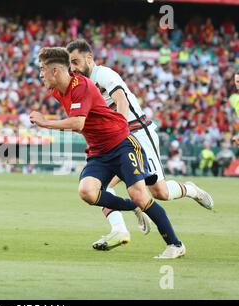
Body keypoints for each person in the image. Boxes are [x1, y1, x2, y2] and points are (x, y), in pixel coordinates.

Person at [30, 47, 185, 259]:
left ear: (55, 71)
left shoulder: (82, 85)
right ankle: (135, 208)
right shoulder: (57, 91)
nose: (40, 74)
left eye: (42, 69)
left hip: (122, 144)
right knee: (87, 192)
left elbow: (78, 123)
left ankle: (175, 245)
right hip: (99, 151)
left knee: (141, 193)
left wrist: (45, 122)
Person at [66, 39, 213, 250]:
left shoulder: (104, 74)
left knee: (159, 192)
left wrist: (119, 130)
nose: (73, 68)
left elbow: (121, 101)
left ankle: (191, 190)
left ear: (89, 58)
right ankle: (119, 230)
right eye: (70, 64)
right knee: (100, 187)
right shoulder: (82, 86)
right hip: (118, 140)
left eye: (76, 62)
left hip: (137, 132)